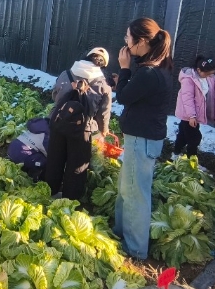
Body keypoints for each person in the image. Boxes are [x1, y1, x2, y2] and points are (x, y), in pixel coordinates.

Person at [112, 19, 173, 259]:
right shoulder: (157, 67)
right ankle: (120, 233)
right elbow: (133, 94)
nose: (126, 42)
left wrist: (124, 69)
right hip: (142, 139)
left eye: (128, 37)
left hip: (142, 139)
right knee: (127, 190)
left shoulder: (149, 72)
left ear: (142, 41)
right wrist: (125, 77)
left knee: (135, 195)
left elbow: (124, 97)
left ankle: (135, 249)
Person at [46, 47, 112, 199]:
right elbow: (103, 113)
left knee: (55, 159)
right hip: (82, 129)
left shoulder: (66, 74)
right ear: (102, 65)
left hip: (59, 122)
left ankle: (49, 192)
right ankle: (70, 199)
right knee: (77, 165)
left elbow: (55, 95)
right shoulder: (103, 84)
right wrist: (103, 130)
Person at [173, 54, 215, 157]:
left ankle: (176, 153)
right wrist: (192, 116)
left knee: (183, 134)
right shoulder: (189, 79)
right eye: (207, 73)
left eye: (211, 74)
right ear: (198, 70)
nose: (209, 76)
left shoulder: (207, 77)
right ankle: (191, 158)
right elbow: (187, 98)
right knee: (194, 138)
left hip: (195, 113)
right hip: (188, 114)